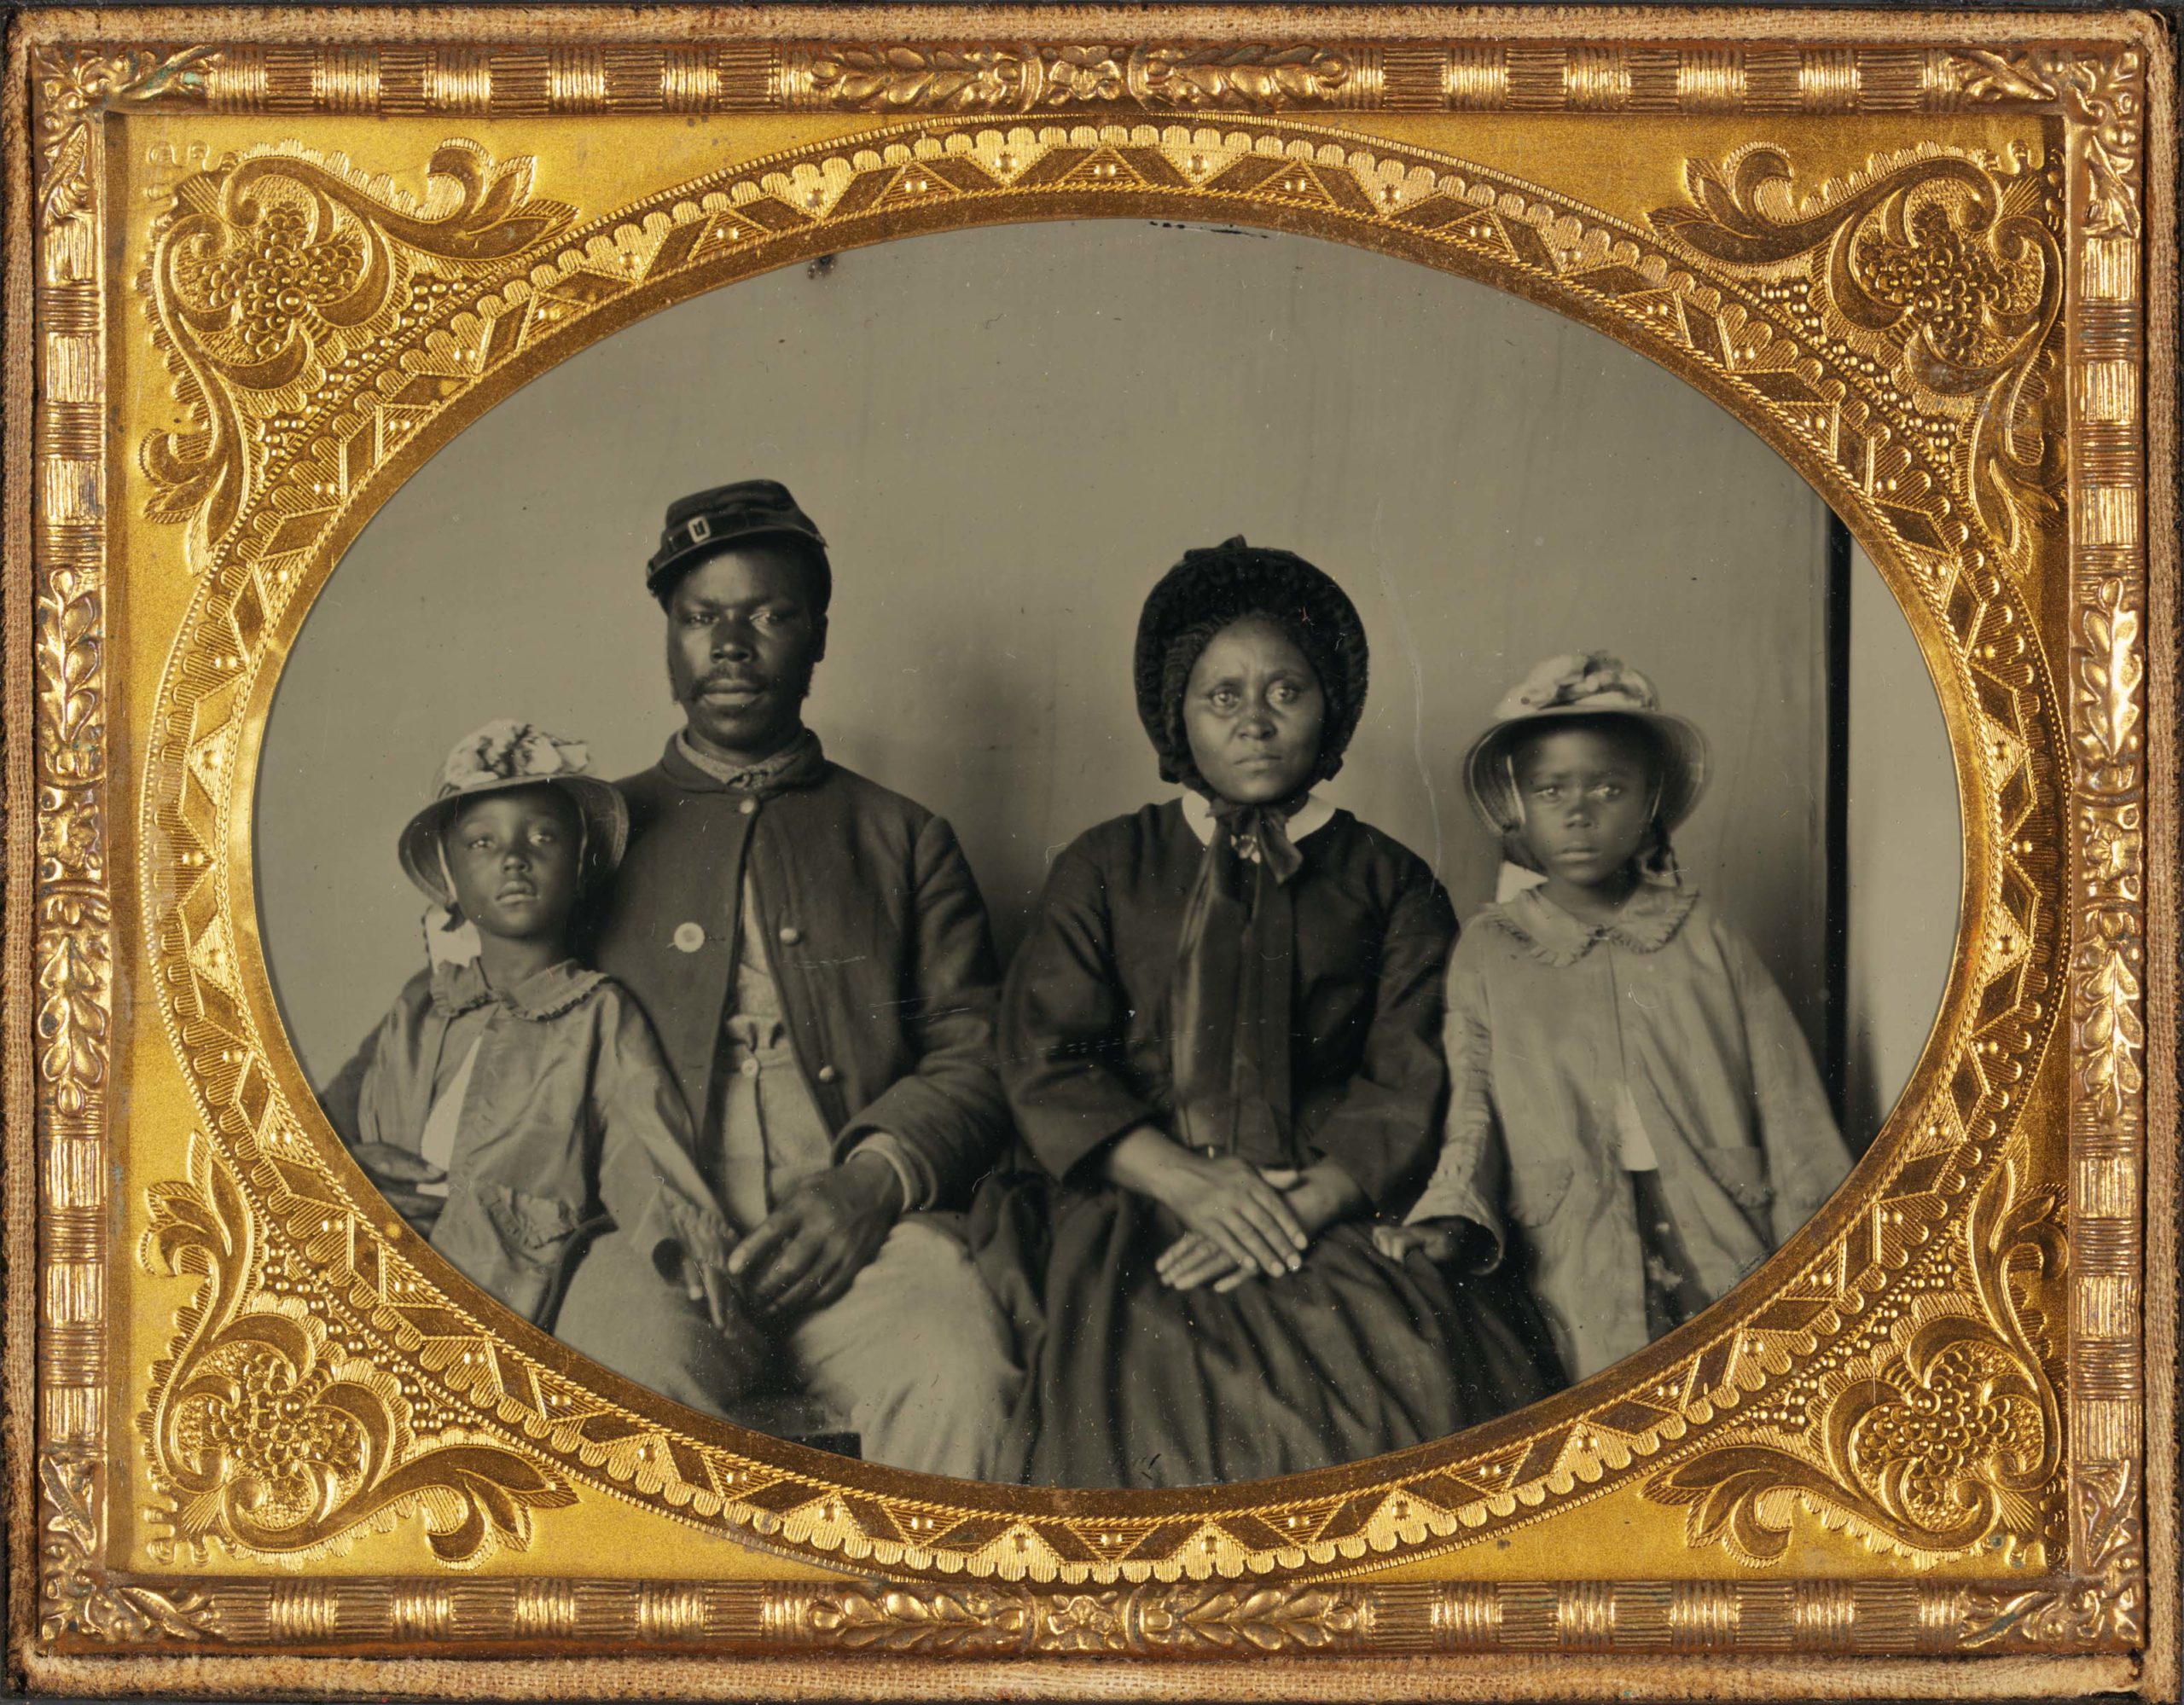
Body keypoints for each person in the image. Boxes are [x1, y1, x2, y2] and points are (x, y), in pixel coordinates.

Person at [990, 537, 1564, 1488]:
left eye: (1285, 692)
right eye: (1223, 695)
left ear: (1329, 706)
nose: (1255, 722)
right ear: (1175, 714)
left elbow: (1414, 1068)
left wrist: (1307, 1202)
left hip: (1328, 1199)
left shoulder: (1388, 881)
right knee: (1138, 1397)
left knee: (1406, 1376)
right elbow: (1045, 1058)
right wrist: (1185, 1181)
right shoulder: (1104, 866)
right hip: (1137, 1195)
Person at [553, 479, 1019, 1481]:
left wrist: (869, 1182)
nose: (732, 644)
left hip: (870, 1237)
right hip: (651, 1238)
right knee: (616, 1388)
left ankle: (937, 1636)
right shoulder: (590, 836)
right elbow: (518, 1015)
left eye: (769, 615)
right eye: (701, 618)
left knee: (960, 1375)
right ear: (669, 640)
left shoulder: (901, 836)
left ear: (816, 637)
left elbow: (977, 1050)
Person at [1374, 652, 1856, 1382]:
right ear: (1519, 807)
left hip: (1720, 1219)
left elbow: (1789, 1104)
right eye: (1551, 789)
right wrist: (1448, 1212)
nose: (1578, 811)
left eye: (1608, 787)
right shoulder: (1491, 948)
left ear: (1649, 805)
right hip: (1570, 1234)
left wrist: (1822, 1252)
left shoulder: (1703, 935)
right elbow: (1472, 1104)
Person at [326, 720, 760, 1395]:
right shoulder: (422, 1006)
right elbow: (320, 1126)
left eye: (543, 836)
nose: (515, 858)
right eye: (483, 843)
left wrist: (685, 1242)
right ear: (450, 877)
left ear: (580, 864)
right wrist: (352, 1169)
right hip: (385, 1272)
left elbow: (642, 1148)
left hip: (513, 1284)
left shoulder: (595, 1012)